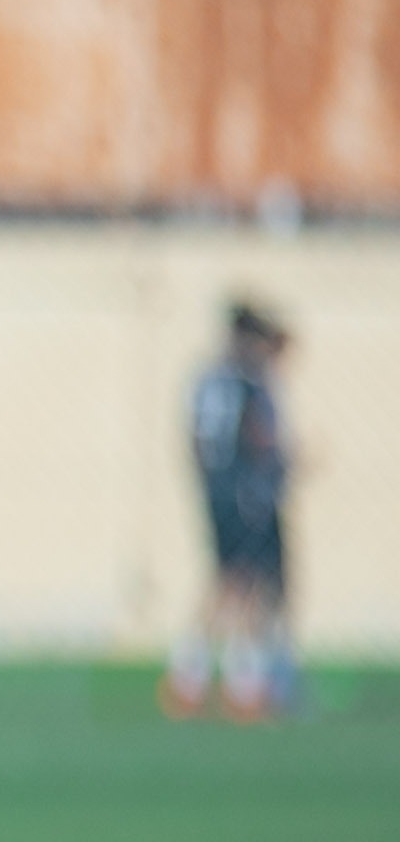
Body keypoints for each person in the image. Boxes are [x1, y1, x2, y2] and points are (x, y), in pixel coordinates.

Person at [162, 300, 298, 721]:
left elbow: (195, 439)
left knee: (228, 581)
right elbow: (258, 438)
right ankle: (241, 683)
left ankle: (193, 676)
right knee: (245, 583)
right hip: (243, 492)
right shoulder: (246, 383)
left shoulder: (208, 378)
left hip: (218, 489)